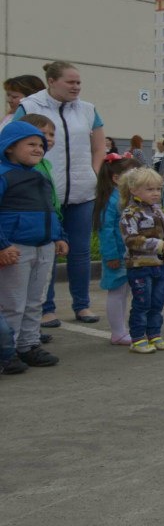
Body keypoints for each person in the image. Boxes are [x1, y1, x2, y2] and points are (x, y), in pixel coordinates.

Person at [14, 61, 106, 327]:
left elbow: (99, 147)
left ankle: (82, 305)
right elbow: (15, 142)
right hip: (43, 195)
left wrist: (92, 171)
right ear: (52, 81)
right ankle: (47, 307)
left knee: (79, 252)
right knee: (47, 252)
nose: (76, 87)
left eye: (79, 82)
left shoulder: (88, 110)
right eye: (70, 82)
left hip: (81, 191)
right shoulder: (30, 106)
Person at [0, 121, 68, 367]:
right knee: (13, 303)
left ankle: (28, 345)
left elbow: (50, 209)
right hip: (15, 249)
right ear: (9, 147)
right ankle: (7, 352)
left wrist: (59, 236)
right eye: (31, 144)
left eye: (41, 145)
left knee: (35, 301)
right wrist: (2, 245)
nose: (39, 149)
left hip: (44, 247)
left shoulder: (40, 176)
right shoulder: (3, 174)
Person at [119, 168, 164, 354]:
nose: (155, 193)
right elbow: (131, 240)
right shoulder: (130, 214)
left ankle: (154, 334)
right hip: (139, 266)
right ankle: (137, 338)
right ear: (134, 190)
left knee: (157, 302)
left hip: (160, 265)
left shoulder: (159, 212)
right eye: (150, 189)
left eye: (158, 189)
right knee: (142, 303)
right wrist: (159, 244)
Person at [94, 156, 141, 345]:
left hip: (128, 253)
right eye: (133, 174)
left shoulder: (124, 198)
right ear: (116, 178)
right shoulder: (112, 201)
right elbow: (105, 231)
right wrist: (111, 255)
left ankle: (121, 329)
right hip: (117, 255)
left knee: (124, 292)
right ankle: (118, 332)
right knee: (117, 292)